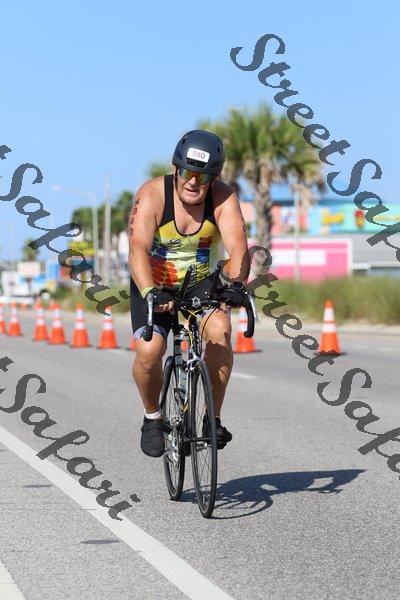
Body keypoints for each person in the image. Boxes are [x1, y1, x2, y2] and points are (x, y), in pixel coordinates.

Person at [129, 129, 250, 457]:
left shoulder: (223, 198)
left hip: (201, 284)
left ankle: (212, 419)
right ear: (176, 168)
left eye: (204, 176)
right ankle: (152, 417)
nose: (193, 182)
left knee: (220, 331)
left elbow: (239, 248)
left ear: (215, 178)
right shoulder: (152, 194)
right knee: (149, 351)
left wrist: (236, 285)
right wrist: (150, 291)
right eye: (187, 172)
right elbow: (137, 248)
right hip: (155, 282)